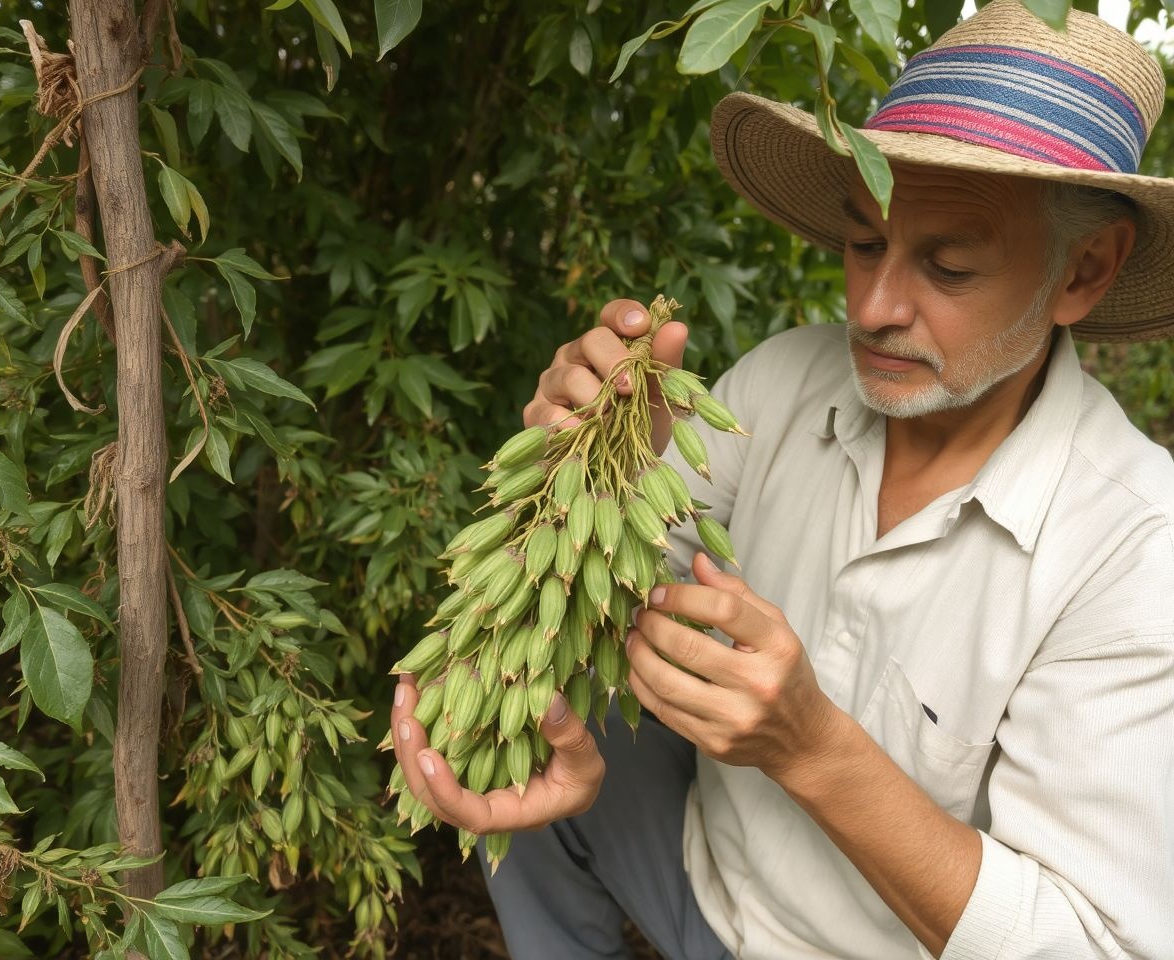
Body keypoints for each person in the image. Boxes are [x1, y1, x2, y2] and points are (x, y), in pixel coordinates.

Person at [390, 2, 1174, 957]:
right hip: (697, 869)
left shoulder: (1134, 554)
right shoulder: (786, 380)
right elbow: (609, 594)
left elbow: (1093, 944)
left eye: (949, 265)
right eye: (864, 243)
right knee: (527, 735)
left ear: (1084, 272)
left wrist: (813, 749)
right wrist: (593, 471)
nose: (875, 308)